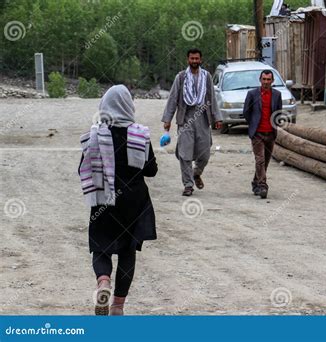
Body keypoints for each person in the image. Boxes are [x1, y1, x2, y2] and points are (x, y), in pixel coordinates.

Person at [78, 85, 158, 315]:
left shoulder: (95, 135)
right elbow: (151, 170)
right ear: (128, 106)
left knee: (101, 248)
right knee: (127, 251)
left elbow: (82, 169)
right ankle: (118, 307)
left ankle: (103, 281)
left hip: (104, 200)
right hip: (133, 201)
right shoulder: (140, 133)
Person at [162, 48, 223, 196]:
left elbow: (212, 98)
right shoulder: (181, 77)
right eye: (192, 59)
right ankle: (188, 185)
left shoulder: (206, 76)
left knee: (205, 153)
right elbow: (173, 98)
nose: (194, 61)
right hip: (185, 118)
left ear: (200, 60)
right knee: (185, 153)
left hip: (202, 117)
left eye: (197, 59)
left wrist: (217, 117)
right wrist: (167, 119)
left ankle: (197, 173)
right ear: (187, 60)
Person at [243, 70, 282, 199]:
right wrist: (253, 124)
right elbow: (246, 112)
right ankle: (262, 186)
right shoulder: (252, 94)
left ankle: (255, 182)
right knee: (259, 160)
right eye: (264, 79)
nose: (266, 82)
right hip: (257, 133)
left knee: (265, 162)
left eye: (268, 79)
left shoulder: (277, 95)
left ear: (272, 81)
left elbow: (278, 113)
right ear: (260, 80)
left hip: (270, 133)